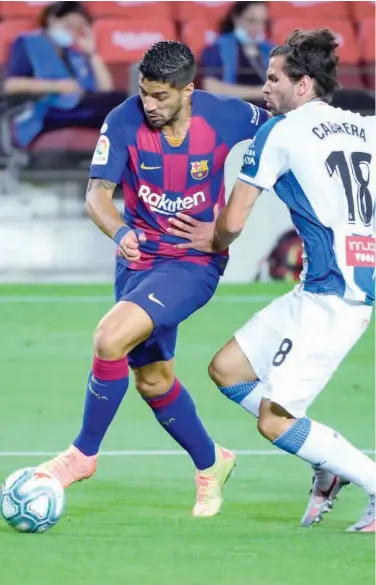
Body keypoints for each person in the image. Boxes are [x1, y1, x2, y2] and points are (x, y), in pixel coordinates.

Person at [38, 40, 269, 517]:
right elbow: (96, 196)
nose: (150, 104)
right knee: (153, 380)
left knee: (109, 337)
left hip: (193, 261)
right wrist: (120, 230)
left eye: (161, 95)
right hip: (138, 261)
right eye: (145, 93)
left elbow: (285, 140)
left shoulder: (227, 115)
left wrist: (228, 225)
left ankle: (82, 455)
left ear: (188, 90)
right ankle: (212, 463)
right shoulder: (122, 120)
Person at [168, 29, 376, 531]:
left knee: (274, 420)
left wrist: (209, 239)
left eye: (273, 79)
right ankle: (327, 465)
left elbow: (234, 220)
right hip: (326, 286)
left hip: (336, 299)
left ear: (302, 85)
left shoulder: (279, 132)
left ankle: (363, 476)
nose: (264, 90)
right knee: (228, 368)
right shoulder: (363, 126)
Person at [4, 1, 123, 148]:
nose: (72, 32)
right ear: (52, 19)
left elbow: (105, 89)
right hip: (45, 110)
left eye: (78, 28)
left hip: (74, 108)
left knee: (120, 101)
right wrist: (57, 86)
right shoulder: (28, 43)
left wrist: (92, 54)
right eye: (69, 25)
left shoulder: (75, 53)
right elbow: (11, 85)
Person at [199, 1, 274, 104]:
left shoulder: (269, 49)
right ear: (236, 18)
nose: (258, 28)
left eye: (263, 22)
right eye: (252, 21)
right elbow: (211, 87)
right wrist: (261, 92)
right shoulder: (217, 49)